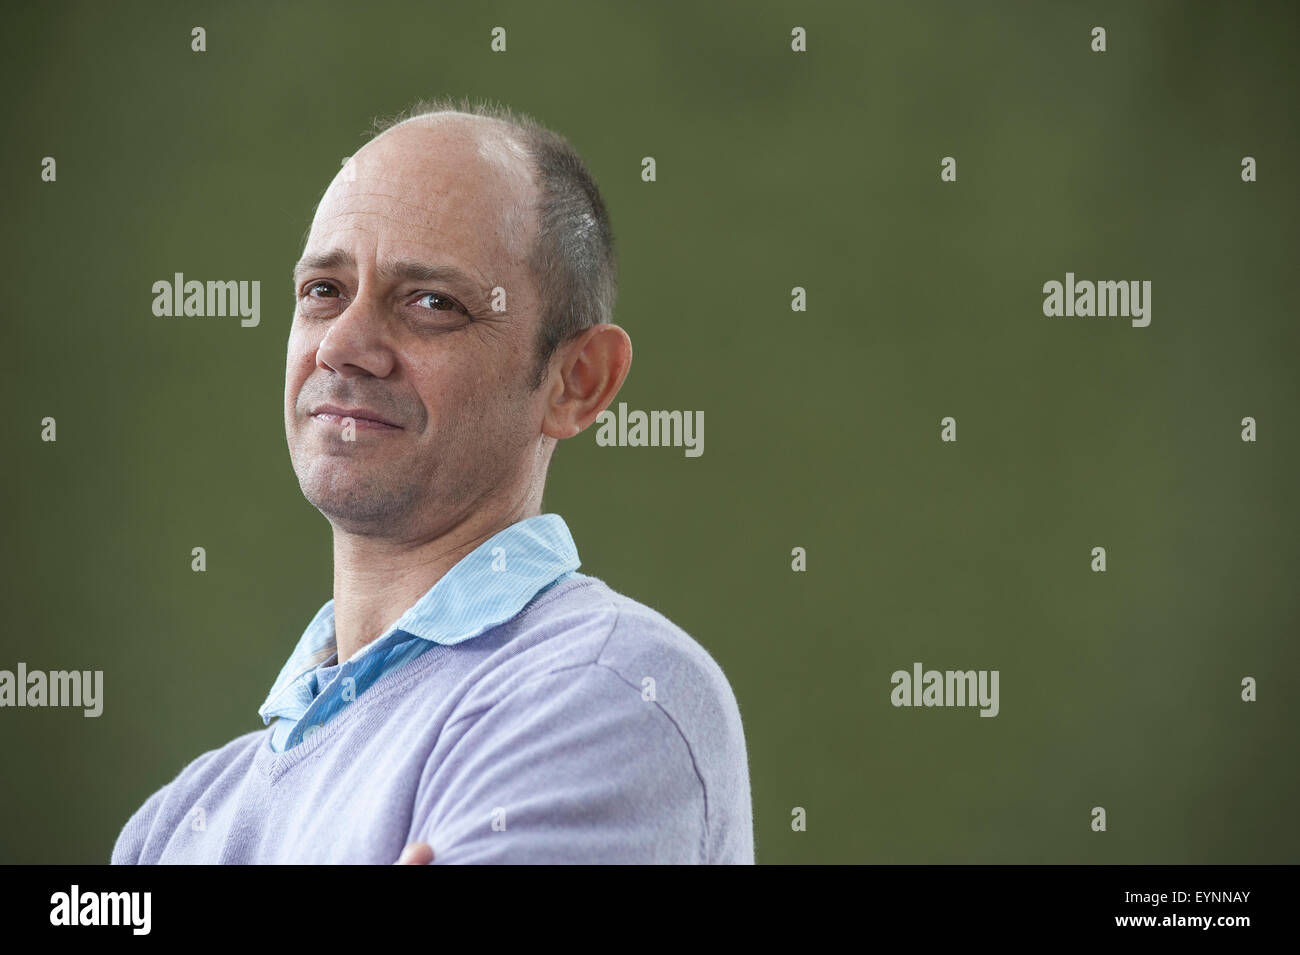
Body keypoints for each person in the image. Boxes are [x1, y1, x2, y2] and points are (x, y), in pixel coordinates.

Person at [110, 97, 754, 864]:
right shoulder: (173, 824)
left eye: (431, 303)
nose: (343, 346)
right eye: (323, 290)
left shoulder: (612, 692)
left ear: (577, 380)